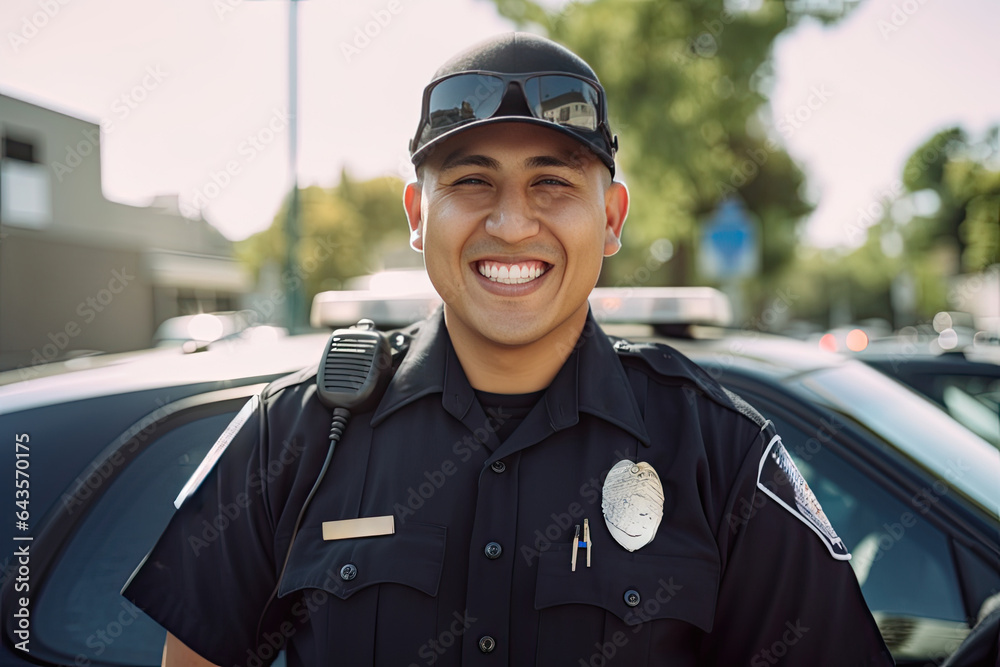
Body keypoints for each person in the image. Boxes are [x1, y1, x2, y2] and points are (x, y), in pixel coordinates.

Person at [123, 32, 895, 667]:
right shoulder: (292, 435)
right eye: (472, 181)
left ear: (613, 216)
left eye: (552, 182)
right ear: (418, 213)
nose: (513, 224)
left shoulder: (715, 452)